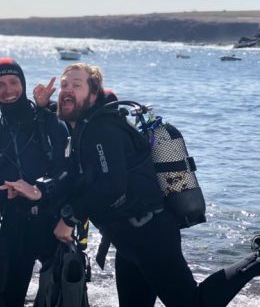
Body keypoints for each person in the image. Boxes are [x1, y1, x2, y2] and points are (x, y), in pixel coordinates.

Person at [49, 63, 260, 307]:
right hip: (128, 238)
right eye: (64, 85)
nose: (67, 90)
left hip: (149, 235)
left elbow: (112, 185)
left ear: (93, 94)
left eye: (77, 85)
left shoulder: (101, 130)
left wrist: (70, 218)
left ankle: (256, 261)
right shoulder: (84, 127)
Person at [0, 57, 70, 306]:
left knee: (60, 297)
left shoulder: (48, 119)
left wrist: (41, 191)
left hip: (53, 220)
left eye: (13, 82)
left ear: (23, 84)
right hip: (12, 225)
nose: (8, 90)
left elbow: (70, 170)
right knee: (7, 298)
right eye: (0, 84)